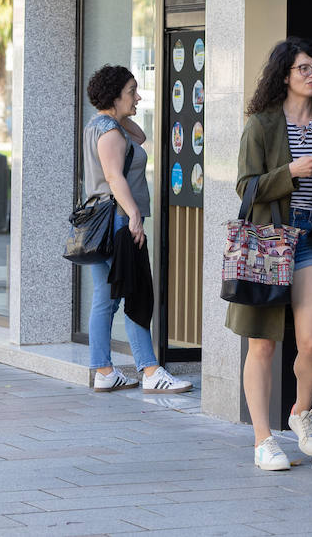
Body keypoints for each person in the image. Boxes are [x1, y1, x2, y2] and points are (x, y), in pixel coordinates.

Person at [227, 38, 312, 471]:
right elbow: (246, 185)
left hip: (308, 243)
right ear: (285, 75)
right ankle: (263, 439)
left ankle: (300, 411)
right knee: (261, 344)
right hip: (269, 245)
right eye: (304, 68)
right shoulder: (261, 125)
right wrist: (290, 173)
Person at [83, 64, 192, 395]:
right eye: (132, 91)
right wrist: (133, 216)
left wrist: (119, 111)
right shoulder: (110, 133)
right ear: (115, 96)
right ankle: (149, 370)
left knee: (105, 298)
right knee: (136, 294)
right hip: (119, 222)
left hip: (101, 221)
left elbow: (141, 137)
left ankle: (104, 370)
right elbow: (115, 177)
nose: (139, 97)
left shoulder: (99, 126)